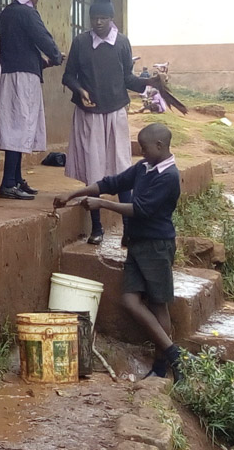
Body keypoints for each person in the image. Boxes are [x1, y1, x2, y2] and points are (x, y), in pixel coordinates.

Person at [53, 123, 184, 381]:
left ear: (159, 146)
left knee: (158, 303)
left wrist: (102, 204)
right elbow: (111, 183)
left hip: (157, 246)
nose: (142, 152)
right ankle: (173, 354)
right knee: (130, 300)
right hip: (137, 244)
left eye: (144, 148)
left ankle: (163, 363)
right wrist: (73, 194)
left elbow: (141, 209)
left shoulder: (169, 177)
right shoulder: (144, 168)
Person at [61, 0, 149, 244]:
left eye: (103, 18)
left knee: (122, 170)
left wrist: (149, 82)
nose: (98, 22)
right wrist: (80, 90)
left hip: (115, 113)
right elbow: (68, 76)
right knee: (95, 170)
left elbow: (128, 78)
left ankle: (129, 230)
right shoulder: (80, 42)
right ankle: (96, 228)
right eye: (94, 18)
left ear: (111, 19)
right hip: (90, 115)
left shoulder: (121, 43)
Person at [0, 0, 63, 200]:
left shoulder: (6, 13)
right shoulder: (27, 12)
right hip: (22, 77)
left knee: (18, 127)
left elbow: (20, 44)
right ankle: (9, 183)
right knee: (18, 128)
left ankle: (16, 178)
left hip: (10, 72)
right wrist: (55, 55)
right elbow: (42, 37)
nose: (38, 0)